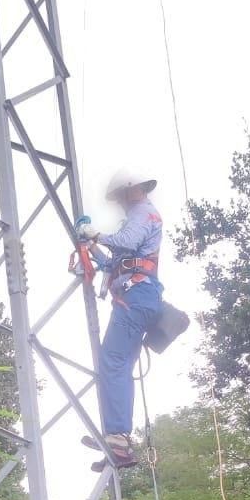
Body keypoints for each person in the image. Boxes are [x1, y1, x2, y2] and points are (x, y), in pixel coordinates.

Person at [76, 168, 164, 470]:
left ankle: (118, 438)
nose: (121, 203)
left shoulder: (143, 213)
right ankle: (118, 441)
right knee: (120, 365)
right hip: (141, 296)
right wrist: (92, 248)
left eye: (121, 197)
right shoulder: (140, 215)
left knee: (112, 360)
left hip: (136, 295)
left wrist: (95, 234)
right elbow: (114, 262)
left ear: (131, 190)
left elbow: (125, 242)